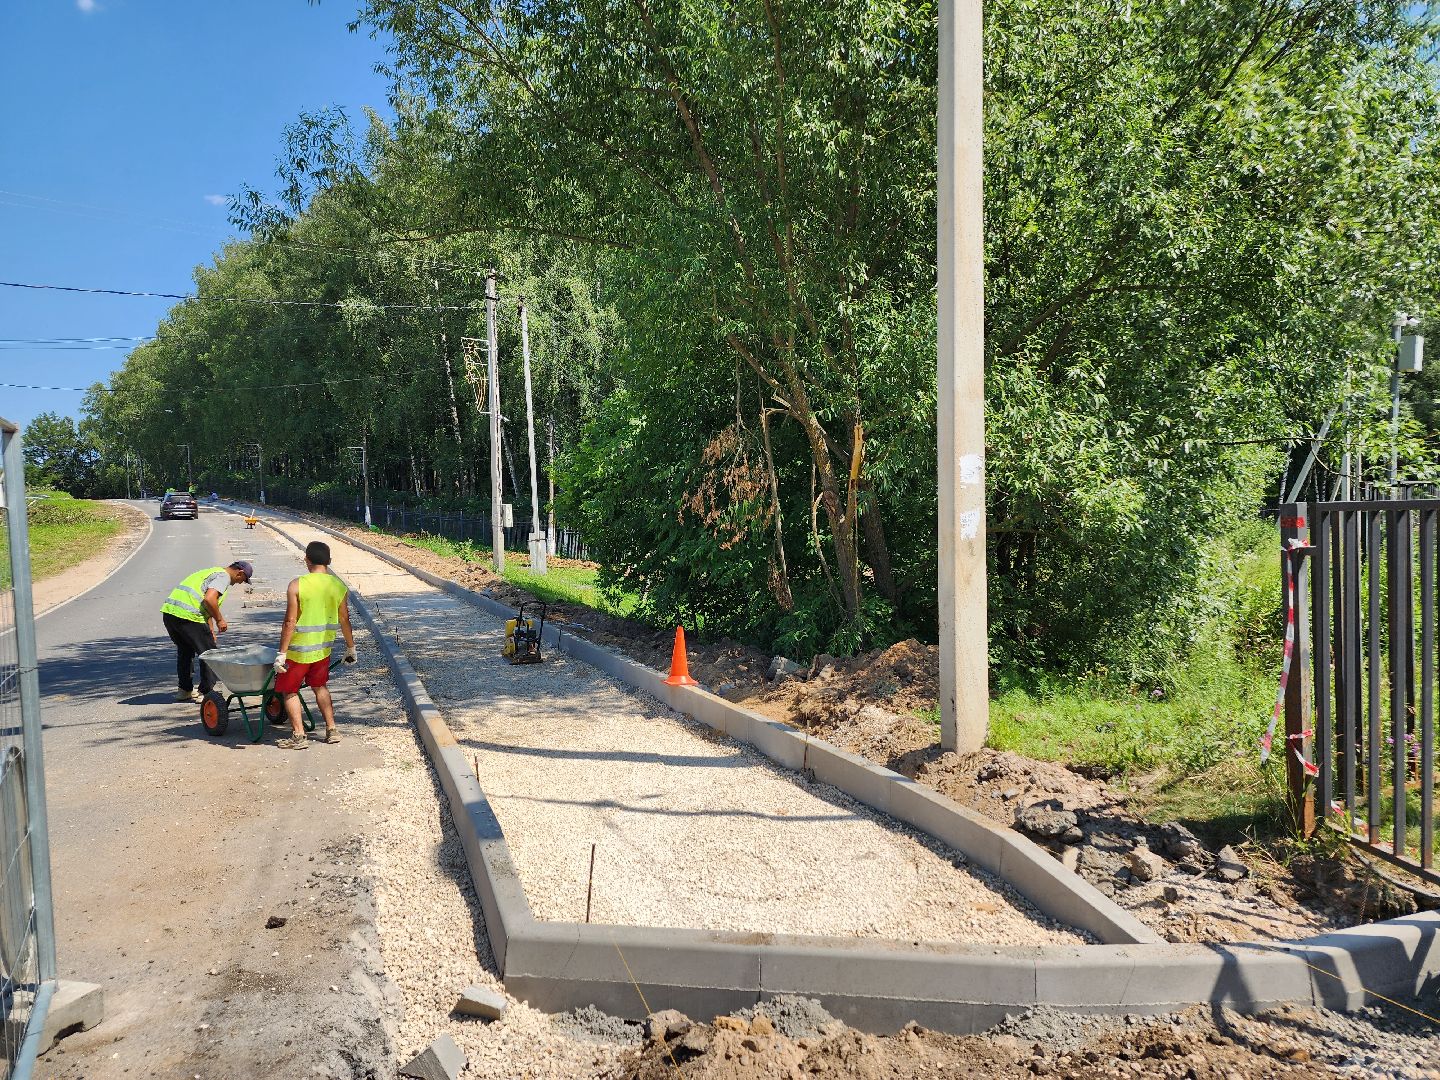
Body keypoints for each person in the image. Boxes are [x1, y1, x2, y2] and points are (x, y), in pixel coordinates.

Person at [272, 540, 357, 749]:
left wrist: (281, 653)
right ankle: (332, 729)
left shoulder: (297, 584)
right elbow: (344, 619)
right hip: (322, 650)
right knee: (320, 686)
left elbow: (290, 621)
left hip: (298, 652)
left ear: (306, 560)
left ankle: (299, 736)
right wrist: (350, 647)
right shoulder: (338, 586)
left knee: (290, 690)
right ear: (329, 561)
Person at [161, 561, 254, 703]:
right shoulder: (223, 577)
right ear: (239, 572)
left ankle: (184, 690)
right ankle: (206, 692)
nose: (241, 583)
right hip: (188, 616)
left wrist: (210, 628)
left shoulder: (212, 571)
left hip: (171, 614)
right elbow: (209, 599)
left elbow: (205, 605)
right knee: (210, 653)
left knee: (185, 650)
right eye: (243, 579)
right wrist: (220, 620)